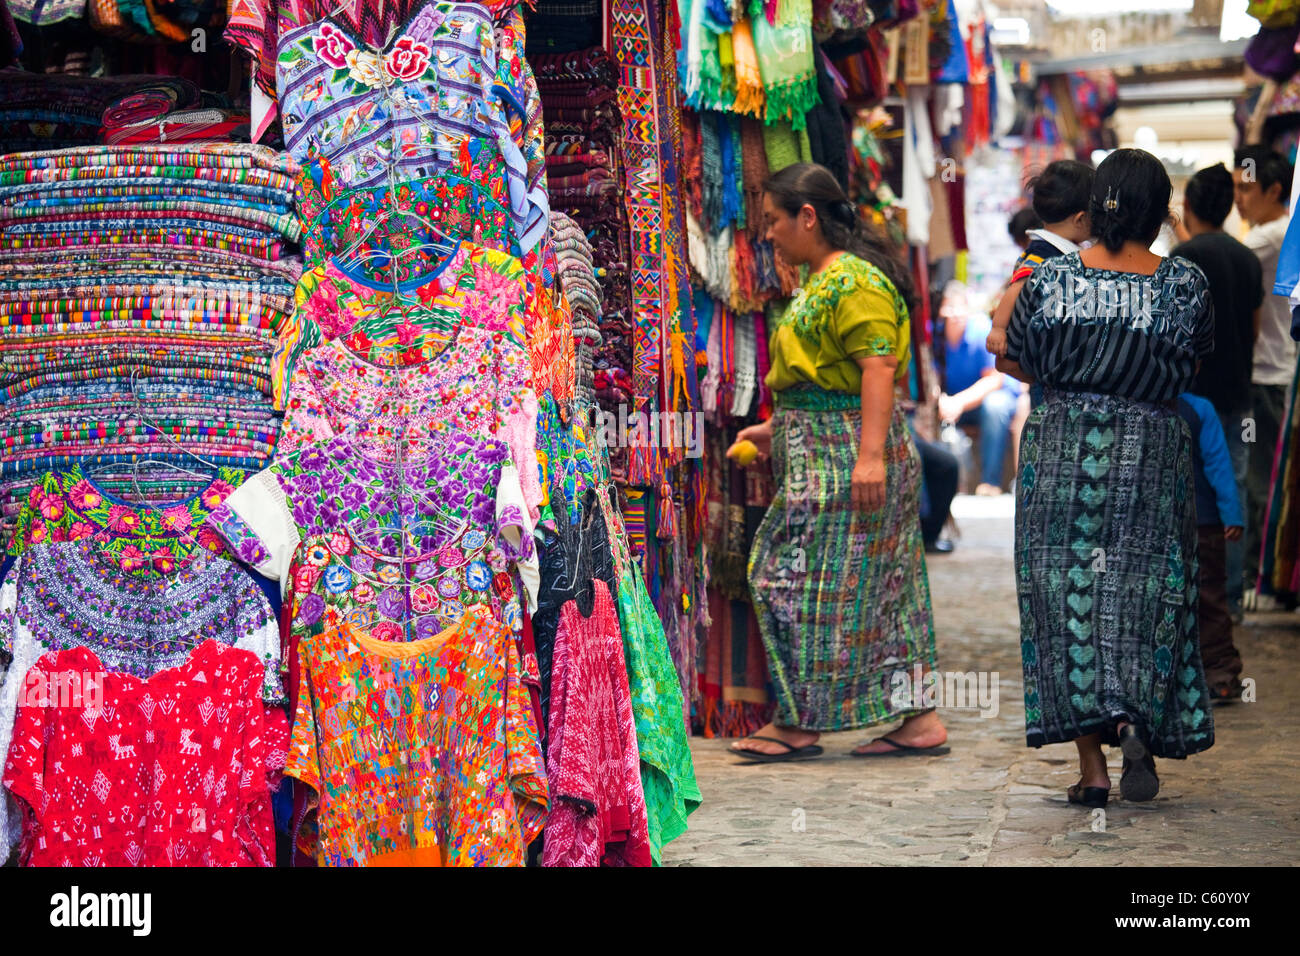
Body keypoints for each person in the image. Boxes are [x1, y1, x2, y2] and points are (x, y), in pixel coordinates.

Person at [997, 148, 1215, 808]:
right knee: (1144, 598)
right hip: (1152, 453)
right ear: (1161, 212)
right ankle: (1132, 718)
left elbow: (1012, 357)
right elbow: (1194, 368)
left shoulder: (1049, 283)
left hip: (1061, 451)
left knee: (1064, 602)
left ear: (1097, 209)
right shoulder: (1185, 285)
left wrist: (1075, 388)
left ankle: (1092, 767)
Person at [727, 163, 949, 761]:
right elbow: (834, 373)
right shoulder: (824, 280)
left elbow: (877, 366)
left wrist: (870, 458)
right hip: (824, 448)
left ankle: (802, 722)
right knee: (886, 590)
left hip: (849, 456)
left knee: (790, 578)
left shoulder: (853, 283)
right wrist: (780, 428)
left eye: (773, 220)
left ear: (807, 216)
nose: (767, 234)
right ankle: (920, 719)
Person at [1171, 163, 1262, 624]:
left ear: (1188, 205)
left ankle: (1194, 596)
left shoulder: (1183, 260)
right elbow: (1254, 328)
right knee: (1234, 492)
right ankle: (1229, 597)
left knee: (1194, 495)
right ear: (1229, 207)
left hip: (1194, 401)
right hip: (1239, 396)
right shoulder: (1246, 258)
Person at [1232, 146, 1295, 610]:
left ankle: (1258, 579)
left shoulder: (1274, 234)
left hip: (1268, 376)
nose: (1239, 199)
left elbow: (1223, 255)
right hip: (1270, 374)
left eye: (1245, 189)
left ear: (1274, 190)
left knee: (1259, 482)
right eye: (1233, 188)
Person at [1173, 392, 1247, 704]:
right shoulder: (1200, 408)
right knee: (1212, 600)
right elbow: (1219, 464)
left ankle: (1170, 680)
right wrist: (1230, 513)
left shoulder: (1137, 404)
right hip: (1206, 525)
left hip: (1166, 528)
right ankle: (1219, 676)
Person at [986, 160, 1094, 359]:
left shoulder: (1054, 248)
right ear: (1080, 219)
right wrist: (999, 328)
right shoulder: (1044, 253)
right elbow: (1016, 287)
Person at [937, 282, 1021, 496]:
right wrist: (941, 400)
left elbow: (994, 380)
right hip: (952, 403)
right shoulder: (936, 335)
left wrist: (959, 402)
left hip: (987, 401)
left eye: (960, 307)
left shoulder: (980, 329)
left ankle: (990, 481)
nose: (956, 314)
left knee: (995, 405)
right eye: (950, 308)